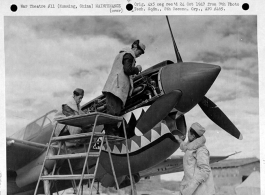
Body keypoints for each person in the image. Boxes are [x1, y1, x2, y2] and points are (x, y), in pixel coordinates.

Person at [102, 40, 146, 135]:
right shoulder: (128, 54)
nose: (139, 55)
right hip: (116, 88)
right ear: (135, 47)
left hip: (115, 88)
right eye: (140, 52)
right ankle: (110, 135)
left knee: (114, 112)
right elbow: (127, 69)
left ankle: (112, 134)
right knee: (113, 113)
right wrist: (137, 69)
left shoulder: (123, 54)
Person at [174, 122, 215, 195]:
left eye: (189, 132)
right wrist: (179, 140)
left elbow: (205, 170)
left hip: (201, 191)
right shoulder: (192, 146)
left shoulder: (202, 150)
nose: (187, 134)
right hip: (193, 190)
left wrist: (189, 189)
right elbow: (187, 147)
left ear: (192, 136)